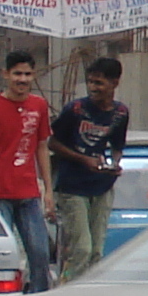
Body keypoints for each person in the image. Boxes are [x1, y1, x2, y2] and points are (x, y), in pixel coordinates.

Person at [0, 51, 54, 293]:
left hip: (28, 192)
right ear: (6, 74)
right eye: (17, 73)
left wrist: (48, 189)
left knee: (40, 252)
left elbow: (41, 148)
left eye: (28, 74)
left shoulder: (39, 105)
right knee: (0, 254)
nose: (22, 79)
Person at [48, 57, 131, 281]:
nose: (94, 88)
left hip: (102, 185)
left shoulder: (120, 113)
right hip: (72, 186)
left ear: (114, 83)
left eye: (99, 83)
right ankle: (66, 291)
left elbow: (117, 145)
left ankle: (88, 295)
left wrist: (114, 164)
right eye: (91, 82)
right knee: (81, 248)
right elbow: (51, 142)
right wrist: (82, 159)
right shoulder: (75, 109)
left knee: (96, 252)